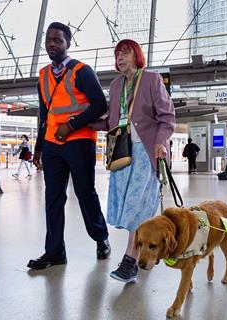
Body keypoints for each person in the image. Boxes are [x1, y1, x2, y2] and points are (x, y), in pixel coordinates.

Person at [28, 22, 110, 270]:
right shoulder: (42, 75)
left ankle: (101, 238)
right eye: (49, 40)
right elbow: (44, 115)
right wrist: (39, 148)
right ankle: (54, 252)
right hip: (52, 145)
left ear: (68, 44)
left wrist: (71, 125)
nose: (52, 44)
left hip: (79, 141)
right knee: (53, 197)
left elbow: (100, 106)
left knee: (85, 192)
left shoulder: (82, 71)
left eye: (58, 40)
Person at [93, 39, 175, 283]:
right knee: (128, 205)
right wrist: (83, 123)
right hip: (123, 152)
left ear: (137, 55)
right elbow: (112, 121)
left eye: (126, 52)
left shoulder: (151, 79)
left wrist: (161, 141)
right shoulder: (117, 85)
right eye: (117, 53)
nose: (120, 57)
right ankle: (139, 256)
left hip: (148, 151)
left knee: (137, 205)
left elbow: (168, 116)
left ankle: (130, 260)